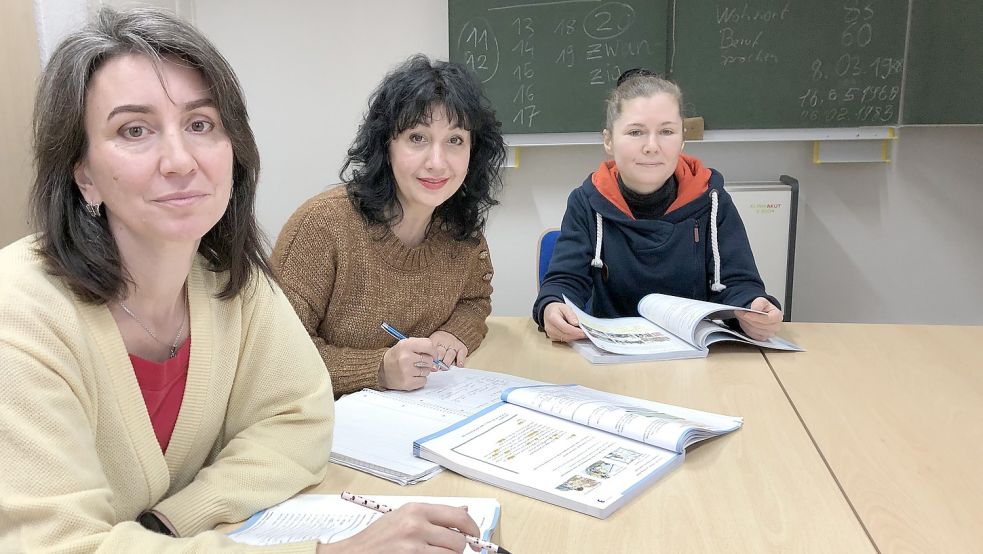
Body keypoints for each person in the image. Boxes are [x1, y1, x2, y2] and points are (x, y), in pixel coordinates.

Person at [0, 8, 480, 553]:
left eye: (201, 124)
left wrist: (173, 519)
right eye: (134, 130)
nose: (180, 160)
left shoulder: (233, 284)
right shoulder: (19, 314)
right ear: (81, 171)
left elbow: (300, 418)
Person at [272, 55, 506, 397]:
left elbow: (474, 299)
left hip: (419, 415)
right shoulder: (322, 226)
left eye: (455, 140)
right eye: (417, 138)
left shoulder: (462, 229)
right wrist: (378, 369)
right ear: (387, 145)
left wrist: (455, 333)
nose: (437, 162)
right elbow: (278, 359)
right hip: (322, 423)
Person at [533, 69, 783, 343]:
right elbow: (564, 282)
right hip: (611, 357)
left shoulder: (712, 200)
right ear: (608, 140)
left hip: (696, 358)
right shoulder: (586, 202)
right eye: (636, 132)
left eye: (666, 131)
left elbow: (739, 284)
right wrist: (552, 306)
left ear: (682, 138)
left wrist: (754, 306)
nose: (652, 146)